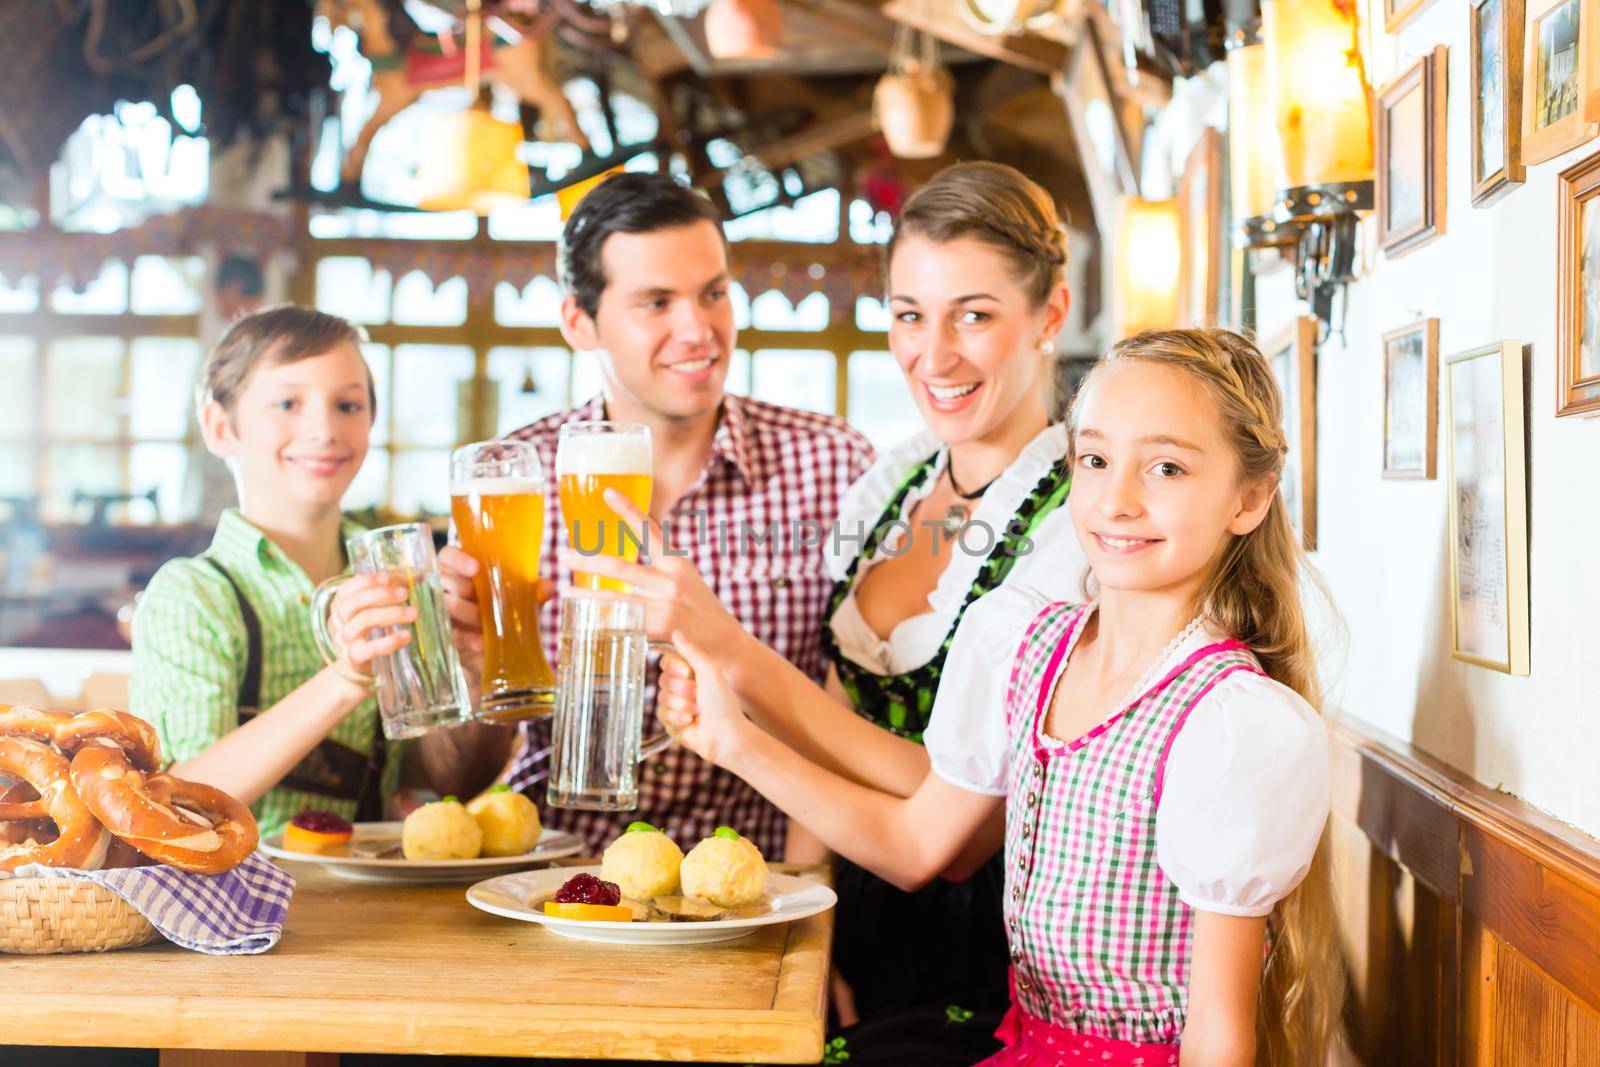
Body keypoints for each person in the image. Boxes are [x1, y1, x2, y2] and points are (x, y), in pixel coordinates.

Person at [660, 328, 1343, 1065]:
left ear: (1248, 498)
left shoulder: (1232, 722)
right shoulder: (1026, 645)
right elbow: (915, 844)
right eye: (1095, 459)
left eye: (1167, 467)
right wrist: (733, 740)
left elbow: (1218, 1034)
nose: (1116, 500)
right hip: (1016, 1041)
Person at [573, 162, 1083, 1026]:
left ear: (1052, 315)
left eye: (976, 314)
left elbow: (954, 834)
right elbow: (834, 723)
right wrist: (812, 933)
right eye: (911, 315)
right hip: (856, 922)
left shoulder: (1076, 524)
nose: (935, 353)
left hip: (995, 953)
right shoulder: (893, 485)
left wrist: (728, 651)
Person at [430, 171, 875, 861]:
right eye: (656, 302)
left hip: (750, 883)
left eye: (714, 293)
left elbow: (853, 722)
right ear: (580, 322)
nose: (698, 329)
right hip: (548, 880)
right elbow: (456, 776)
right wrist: (470, 662)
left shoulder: (833, 463)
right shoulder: (512, 479)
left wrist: (812, 914)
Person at [132, 305, 455, 835]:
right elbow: (176, 810)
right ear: (220, 427)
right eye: (287, 403)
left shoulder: (404, 580)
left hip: (372, 909)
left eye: (348, 404)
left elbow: (440, 781)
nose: (325, 429)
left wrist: (469, 674)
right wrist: (345, 679)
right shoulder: (192, 595)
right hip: (231, 913)